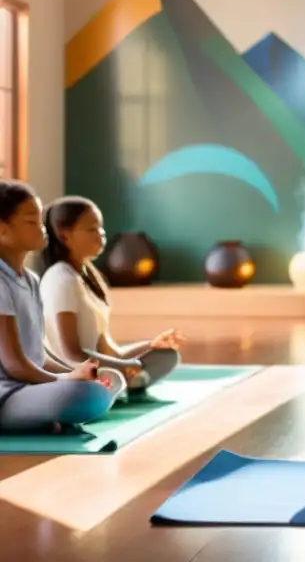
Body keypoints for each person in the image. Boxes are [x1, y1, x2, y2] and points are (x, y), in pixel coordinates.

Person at [0, 181, 119, 431]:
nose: (43, 227)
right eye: (32, 221)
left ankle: (47, 416)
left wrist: (79, 372)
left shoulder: (31, 280)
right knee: (83, 395)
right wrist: (65, 380)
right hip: (6, 395)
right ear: (2, 231)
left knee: (109, 380)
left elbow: (40, 356)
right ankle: (46, 415)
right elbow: (15, 365)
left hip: (31, 387)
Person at [38, 196, 184, 396]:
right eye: (92, 229)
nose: (101, 234)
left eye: (101, 228)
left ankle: (121, 386)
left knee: (167, 355)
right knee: (121, 373)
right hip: (75, 374)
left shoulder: (88, 276)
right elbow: (70, 353)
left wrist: (150, 345)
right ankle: (118, 386)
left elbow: (111, 352)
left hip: (99, 366)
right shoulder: (61, 279)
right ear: (64, 235)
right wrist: (126, 367)